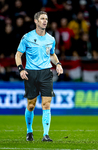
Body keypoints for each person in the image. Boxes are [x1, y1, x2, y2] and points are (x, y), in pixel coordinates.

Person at [15, 11, 63, 142]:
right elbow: (18, 55)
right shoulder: (27, 37)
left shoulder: (51, 39)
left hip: (46, 73)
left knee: (46, 104)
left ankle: (45, 135)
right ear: (36, 21)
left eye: (46, 19)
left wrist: (58, 63)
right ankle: (29, 131)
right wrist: (21, 69)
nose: (45, 21)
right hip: (31, 73)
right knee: (31, 105)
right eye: (42, 19)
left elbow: (52, 54)